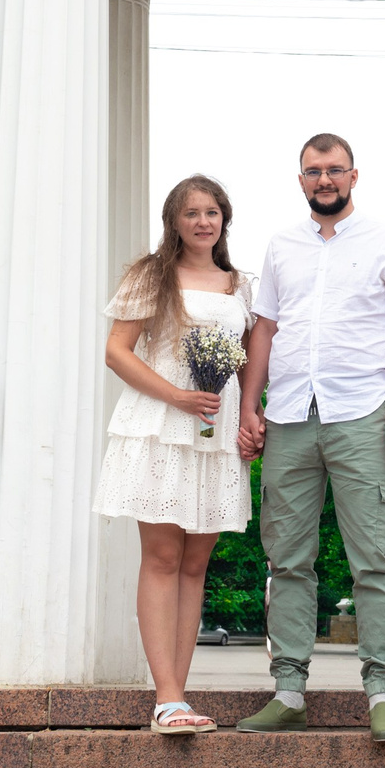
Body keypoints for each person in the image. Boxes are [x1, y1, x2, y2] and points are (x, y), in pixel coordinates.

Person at [235, 132, 385, 745]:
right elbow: (263, 329)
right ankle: (288, 690)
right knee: (287, 559)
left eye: (335, 170)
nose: (324, 180)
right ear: (300, 180)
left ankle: (381, 694)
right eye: (314, 171)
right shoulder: (281, 247)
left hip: (363, 414)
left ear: (353, 176)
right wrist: (249, 403)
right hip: (290, 416)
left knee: (373, 558)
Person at [98, 174, 255, 735]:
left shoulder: (242, 284)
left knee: (195, 564)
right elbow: (117, 352)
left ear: (224, 219)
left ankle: (178, 696)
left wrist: (249, 419)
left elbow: (250, 362)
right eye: (191, 212)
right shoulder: (151, 275)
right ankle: (165, 697)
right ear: (174, 219)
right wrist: (177, 397)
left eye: (212, 212)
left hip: (216, 435)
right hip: (161, 428)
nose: (202, 221)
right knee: (163, 558)